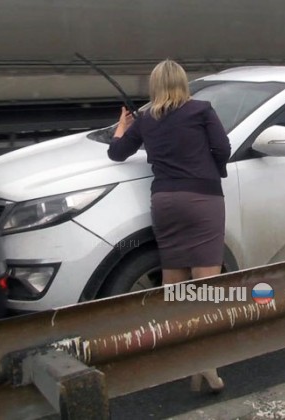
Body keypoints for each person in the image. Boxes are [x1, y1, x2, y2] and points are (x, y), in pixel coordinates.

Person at [107, 59, 231, 393]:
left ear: (155, 86)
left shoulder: (146, 118)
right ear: (182, 83)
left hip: (164, 201)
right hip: (203, 199)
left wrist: (123, 125)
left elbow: (117, 153)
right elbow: (224, 149)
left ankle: (183, 362)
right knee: (206, 286)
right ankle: (206, 362)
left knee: (174, 285)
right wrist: (213, 170)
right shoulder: (201, 110)